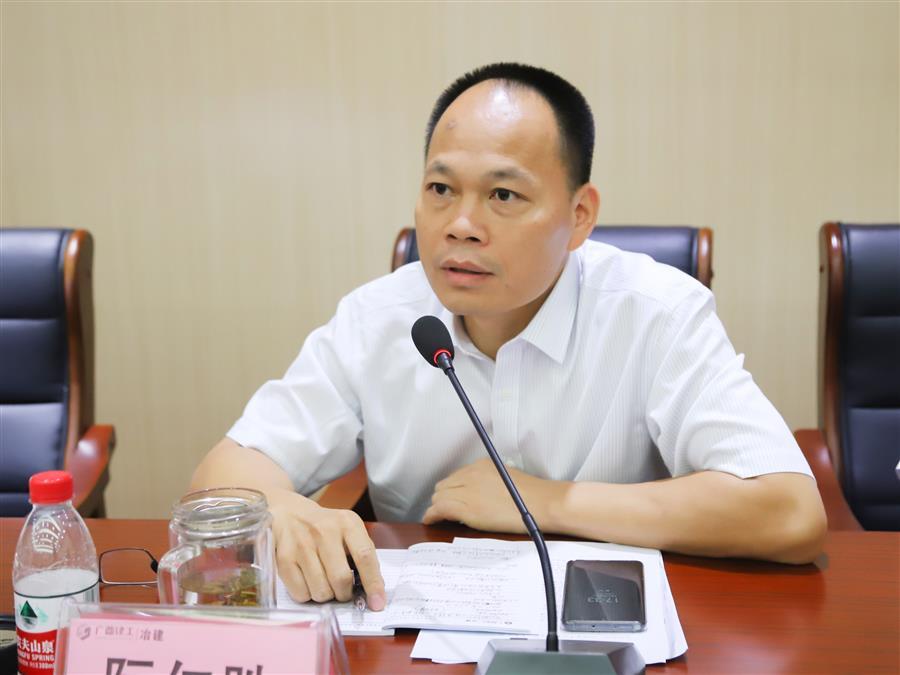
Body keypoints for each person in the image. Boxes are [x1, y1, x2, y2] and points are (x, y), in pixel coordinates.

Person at [191, 63, 827, 611]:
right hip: (417, 629)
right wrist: (277, 509)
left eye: (502, 194)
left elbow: (790, 512)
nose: (461, 225)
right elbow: (217, 481)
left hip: (605, 625)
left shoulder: (657, 314)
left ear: (579, 215)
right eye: (441, 189)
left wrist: (547, 503)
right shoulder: (378, 317)